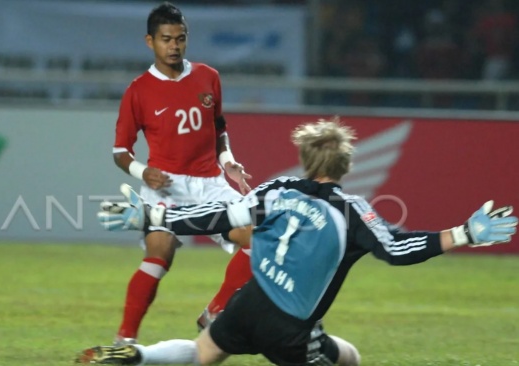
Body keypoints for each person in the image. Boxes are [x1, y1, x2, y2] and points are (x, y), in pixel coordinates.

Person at [85, 118, 518, 366]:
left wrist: (152, 214)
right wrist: (465, 233)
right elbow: (397, 250)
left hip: (248, 301)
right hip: (290, 327)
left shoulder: (277, 190)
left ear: (306, 159)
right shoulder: (353, 210)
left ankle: (141, 356)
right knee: (348, 358)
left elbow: (216, 217)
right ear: (347, 164)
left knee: (203, 352)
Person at [109, 1, 253, 345]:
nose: (174, 46)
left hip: (211, 185)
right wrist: (144, 173)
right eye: (166, 39)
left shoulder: (208, 77)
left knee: (262, 241)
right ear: (150, 42)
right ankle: (123, 342)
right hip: (166, 188)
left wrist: (228, 160)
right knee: (159, 255)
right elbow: (120, 152)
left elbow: (219, 129)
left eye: (180, 38)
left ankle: (214, 314)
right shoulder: (138, 90)